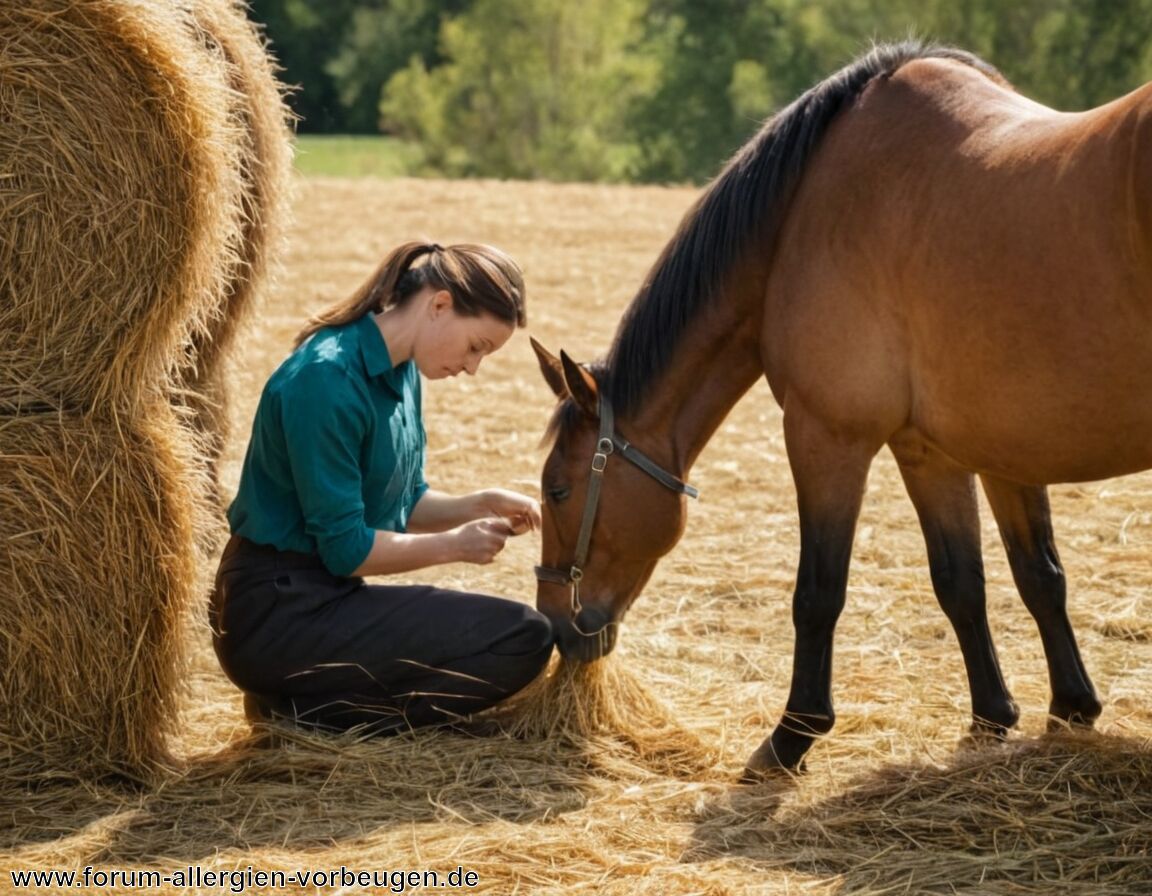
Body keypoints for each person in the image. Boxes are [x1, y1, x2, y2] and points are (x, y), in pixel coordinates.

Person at [210, 241, 554, 736]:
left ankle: (306, 704)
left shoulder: (402, 372)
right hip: (275, 615)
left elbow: (403, 501)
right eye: (476, 346)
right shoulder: (326, 379)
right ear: (439, 304)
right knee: (520, 638)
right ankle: (307, 713)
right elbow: (348, 550)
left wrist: (479, 503)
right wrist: (455, 546)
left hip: (327, 599)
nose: (472, 367)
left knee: (523, 637)